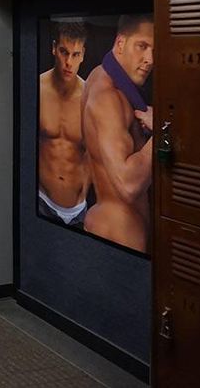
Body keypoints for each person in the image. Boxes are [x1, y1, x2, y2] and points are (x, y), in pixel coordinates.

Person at [80, 14, 154, 252]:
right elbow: (128, 185)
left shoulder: (99, 73)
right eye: (142, 46)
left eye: (155, 49)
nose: (150, 59)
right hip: (122, 230)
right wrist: (166, 129)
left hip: (109, 221)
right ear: (120, 43)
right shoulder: (108, 96)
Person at [38, 21, 89, 227]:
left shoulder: (90, 97)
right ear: (53, 48)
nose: (69, 62)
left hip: (78, 209)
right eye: (63, 52)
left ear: (83, 55)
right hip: (42, 201)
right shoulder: (37, 88)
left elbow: (96, 155)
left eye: (75, 55)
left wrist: (85, 194)